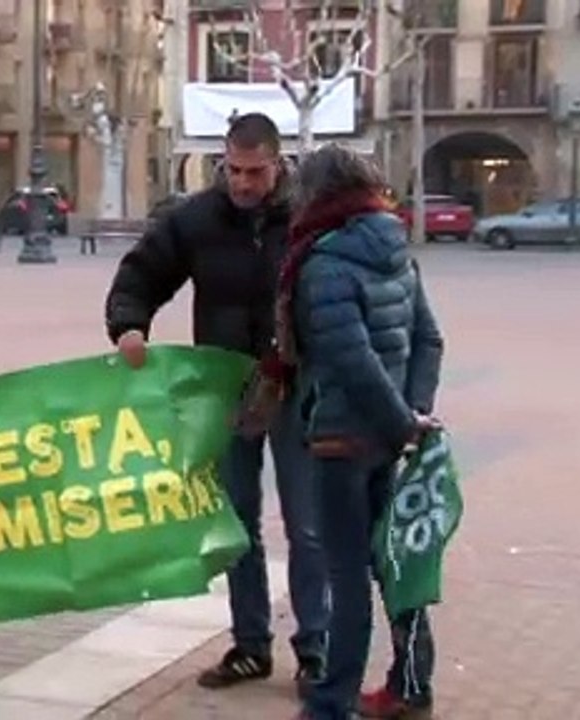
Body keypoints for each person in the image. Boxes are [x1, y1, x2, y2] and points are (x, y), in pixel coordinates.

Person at [104, 113, 328, 693]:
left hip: (296, 386)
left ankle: (317, 649)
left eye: (255, 171)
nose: (243, 183)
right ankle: (250, 645)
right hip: (225, 389)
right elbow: (143, 272)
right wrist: (129, 324)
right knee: (235, 522)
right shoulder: (198, 218)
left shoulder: (311, 214)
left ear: (278, 164)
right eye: (233, 169)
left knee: (307, 526)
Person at [262, 145, 444, 720]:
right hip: (389, 439)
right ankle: (411, 685)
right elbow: (428, 340)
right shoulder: (395, 248)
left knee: (348, 579)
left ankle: (331, 702)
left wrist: (399, 420)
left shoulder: (323, 263)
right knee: (394, 565)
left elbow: (351, 359)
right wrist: (411, 415)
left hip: (342, 440)